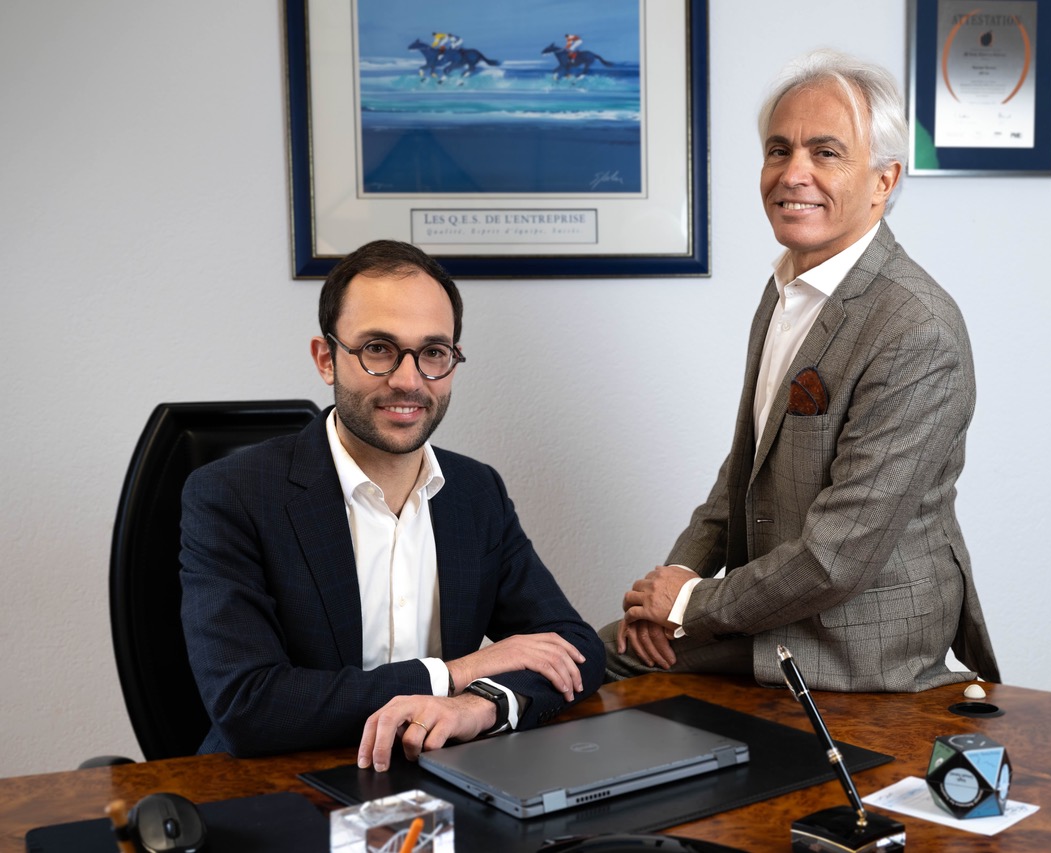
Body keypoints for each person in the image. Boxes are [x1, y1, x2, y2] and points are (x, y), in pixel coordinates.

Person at [600, 49, 1000, 693]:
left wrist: (688, 606)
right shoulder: (786, 285)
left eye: (826, 152)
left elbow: (838, 557)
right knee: (592, 654)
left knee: (589, 666)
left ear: (884, 181)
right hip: (772, 608)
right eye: (778, 150)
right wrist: (671, 587)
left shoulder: (918, 329)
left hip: (859, 641)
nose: (793, 174)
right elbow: (744, 471)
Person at [180, 240, 604, 770]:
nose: (409, 381)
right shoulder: (231, 494)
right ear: (326, 359)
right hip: (282, 785)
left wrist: (480, 705)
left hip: (444, 776)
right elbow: (249, 705)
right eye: (379, 348)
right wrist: (455, 673)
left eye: (434, 352)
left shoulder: (476, 491)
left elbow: (575, 648)